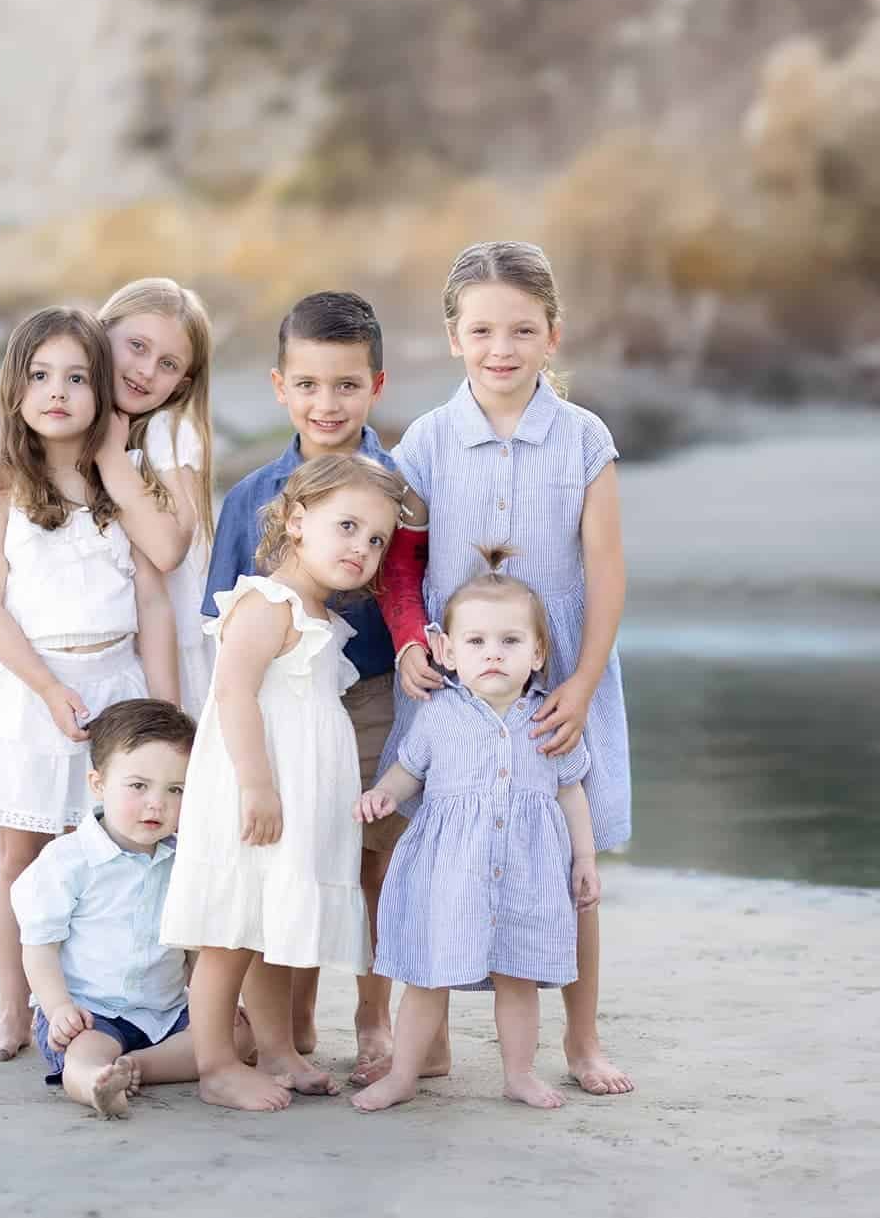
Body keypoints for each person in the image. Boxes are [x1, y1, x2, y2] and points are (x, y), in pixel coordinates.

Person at [380, 240, 636, 1096]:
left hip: (560, 670)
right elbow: (401, 562)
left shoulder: (584, 437)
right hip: (455, 671)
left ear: (552, 335)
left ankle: (583, 1038)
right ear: (453, 336)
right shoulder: (426, 439)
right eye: (482, 329)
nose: (502, 347)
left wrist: (584, 679)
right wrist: (415, 640)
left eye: (522, 329)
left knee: (570, 858)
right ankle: (430, 1039)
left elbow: (606, 569)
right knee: (442, 848)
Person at [0, 307, 180, 1064]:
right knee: (24, 861)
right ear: (13, 389)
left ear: (103, 394)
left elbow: (152, 601)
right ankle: (19, 1009)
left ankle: (94, 1005)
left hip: (116, 682)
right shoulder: (4, 488)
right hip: (31, 684)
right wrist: (45, 686)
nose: (57, 391)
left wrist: (167, 717)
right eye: (39, 376)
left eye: (78, 377)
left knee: (105, 855)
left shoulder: (122, 480)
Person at [202, 291, 423, 1084]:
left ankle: (373, 1017)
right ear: (278, 385)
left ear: (377, 384)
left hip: (369, 697)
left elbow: (422, 593)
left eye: (345, 385)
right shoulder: (252, 497)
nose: (325, 403)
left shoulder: (400, 488)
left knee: (370, 860)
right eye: (307, 384)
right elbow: (222, 628)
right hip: (277, 705)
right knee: (287, 860)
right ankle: (287, 1027)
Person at [161, 454, 418, 1111]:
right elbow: (234, 692)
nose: (361, 547)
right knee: (229, 931)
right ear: (298, 520)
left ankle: (277, 1049)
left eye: (376, 538)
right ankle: (216, 1061)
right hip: (255, 792)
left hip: (294, 800)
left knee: (274, 923)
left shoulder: (319, 614)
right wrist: (257, 786)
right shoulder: (266, 600)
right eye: (348, 525)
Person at [351, 548, 599, 1112]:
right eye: (477, 642)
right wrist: (382, 795)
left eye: (510, 642)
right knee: (428, 973)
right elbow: (408, 771)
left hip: (527, 873)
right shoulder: (439, 713)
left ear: (537, 652)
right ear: (448, 651)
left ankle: (519, 1072)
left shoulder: (548, 717)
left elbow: (569, 789)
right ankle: (403, 1074)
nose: (493, 654)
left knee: (518, 975)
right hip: (449, 871)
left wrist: (584, 859)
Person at [0, 279, 218, 715]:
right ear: (101, 337)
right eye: (136, 346)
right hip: (93, 651)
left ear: (182, 383)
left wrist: (109, 455)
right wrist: (37, 369)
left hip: (168, 646)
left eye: (168, 364)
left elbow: (165, 552)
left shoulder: (167, 429)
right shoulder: (64, 424)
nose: (145, 370)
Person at [12, 699, 201, 1119]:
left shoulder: (185, 860)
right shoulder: (68, 861)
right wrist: (59, 1007)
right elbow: (39, 945)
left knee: (232, 1038)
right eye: (138, 786)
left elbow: (193, 951)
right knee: (83, 1051)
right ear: (98, 785)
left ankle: (138, 1068)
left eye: (176, 790)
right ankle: (95, 1083)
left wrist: (209, 1006)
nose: (157, 803)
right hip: (90, 1010)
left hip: (166, 1011)